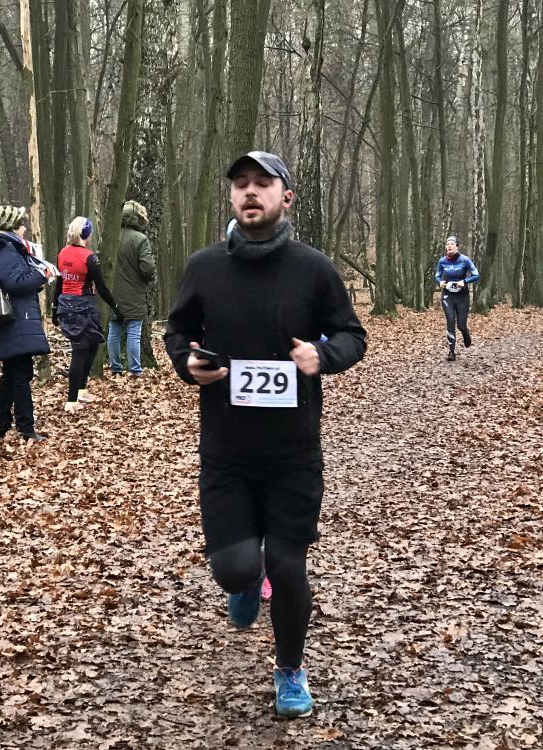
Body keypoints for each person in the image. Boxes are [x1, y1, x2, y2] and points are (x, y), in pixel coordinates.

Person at [164, 150, 366, 719]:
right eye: (241, 184)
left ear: (286, 197)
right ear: (232, 197)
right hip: (226, 451)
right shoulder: (205, 267)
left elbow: (352, 335)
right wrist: (187, 363)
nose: (250, 192)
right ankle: (246, 582)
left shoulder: (314, 269)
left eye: (262, 183)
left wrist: (322, 355)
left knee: (287, 562)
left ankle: (290, 671)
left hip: (292, 452)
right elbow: (177, 332)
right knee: (234, 568)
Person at [0, 205, 53, 441]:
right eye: (21, 224)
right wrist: (42, 275)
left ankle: (1, 425)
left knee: (10, 373)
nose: (25, 227)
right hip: (17, 319)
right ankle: (26, 427)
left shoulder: (3, 249)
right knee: (21, 374)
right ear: (12, 227)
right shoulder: (7, 250)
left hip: (12, 319)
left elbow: (10, 281)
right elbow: (15, 283)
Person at [52, 216, 121, 413]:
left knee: (92, 344)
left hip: (66, 305)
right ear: (86, 235)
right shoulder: (90, 258)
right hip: (83, 307)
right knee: (80, 350)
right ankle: (71, 400)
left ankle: (81, 389)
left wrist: (55, 308)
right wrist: (116, 307)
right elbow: (102, 287)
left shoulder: (62, 254)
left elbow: (59, 284)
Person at [107, 200, 155, 376]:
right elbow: (148, 268)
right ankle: (135, 370)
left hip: (112, 292)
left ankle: (115, 368)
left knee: (114, 330)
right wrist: (150, 277)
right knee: (134, 332)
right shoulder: (140, 239)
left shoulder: (110, 237)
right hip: (135, 292)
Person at [434, 236, 480, 361]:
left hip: (462, 296)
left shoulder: (465, 260)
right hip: (447, 296)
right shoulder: (442, 261)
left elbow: (476, 275)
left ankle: (465, 332)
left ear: (457, 247)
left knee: (461, 325)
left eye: (452, 244)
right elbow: (437, 276)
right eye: (447, 244)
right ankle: (451, 351)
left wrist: (464, 281)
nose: (449, 246)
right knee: (450, 320)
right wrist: (440, 282)